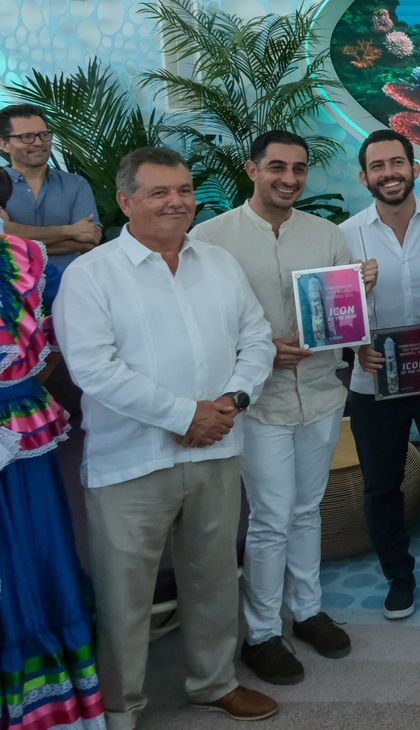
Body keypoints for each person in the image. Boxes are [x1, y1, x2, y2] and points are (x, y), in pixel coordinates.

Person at [54, 146, 278, 727]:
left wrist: (231, 402)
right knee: (125, 594)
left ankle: (213, 682)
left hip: (218, 447)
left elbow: (256, 339)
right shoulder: (90, 275)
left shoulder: (219, 263)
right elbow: (94, 370)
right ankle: (122, 707)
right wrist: (186, 416)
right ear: (125, 201)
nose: (176, 201)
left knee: (212, 577)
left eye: (183, 189)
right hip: (131, 463)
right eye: (158, 192)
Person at [191, 131, 370, 686]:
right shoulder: (210, 240)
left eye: (297, 169)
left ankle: (308, 611)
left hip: (319, 394)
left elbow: (344, 320)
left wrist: (357, 297)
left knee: (307, 509)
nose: (288, 179)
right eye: (276, 167)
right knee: (270, 518)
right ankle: (263, 633)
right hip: (259, 402)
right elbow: (202, 325)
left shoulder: (328, 237)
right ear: (252, 169)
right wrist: (265, 350)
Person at [341, 129, 420, 619]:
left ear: (416, 168)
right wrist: (355, 347)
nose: (389, 173)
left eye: (397, 163)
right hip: (374, 381)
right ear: (364, 176)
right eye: (378, 166)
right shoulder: (345, 235)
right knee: (381, 485)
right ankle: (398, 574)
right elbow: (330, 312)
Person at [0, 169, 106, 730]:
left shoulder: (27, 262)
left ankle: (49, 702)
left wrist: (28, 380)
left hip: (19, 438)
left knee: (34, 554)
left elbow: (69, 336)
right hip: (19, 423)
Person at [0, 104, 101, 270]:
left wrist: (13, 240)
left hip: (69, 289)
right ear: (4, 144)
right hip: (12, 292)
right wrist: (70, 231)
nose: (39, 142)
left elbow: (90, 240)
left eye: (44, 134)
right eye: (27, 137)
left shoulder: (76, 184)